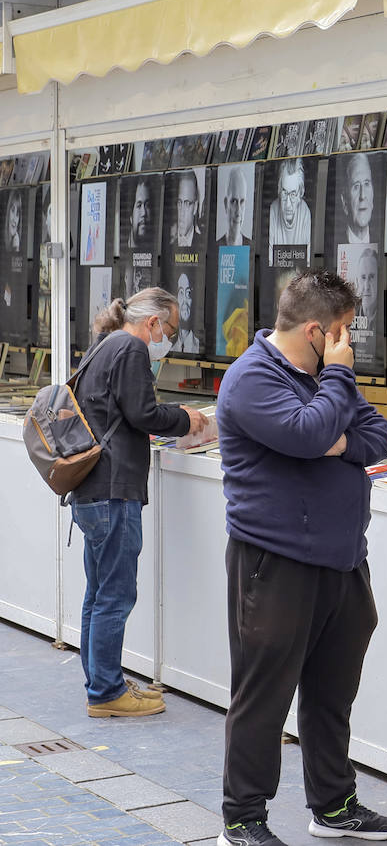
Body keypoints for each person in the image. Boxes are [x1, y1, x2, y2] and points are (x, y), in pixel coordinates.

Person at [215, 270, 387, 846]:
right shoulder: (252, 378)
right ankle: (242, 819)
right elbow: (303, 434)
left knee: (331, 693)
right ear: (317, 331)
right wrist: (336, 389)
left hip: (342, 561)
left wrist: (336, 440)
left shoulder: (326, 376)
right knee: (263, 695)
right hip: (275, 563)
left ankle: (334, 805)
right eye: (344, 330)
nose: (350, 342)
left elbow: (379, 436)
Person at [72, 289, 206, 718]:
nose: (169, 338)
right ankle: (107, 693)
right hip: (114, 490)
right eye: (171, 329)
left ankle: (102, 682)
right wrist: (187, 418)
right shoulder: (131, 348)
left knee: (98, 594)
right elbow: (143, 414)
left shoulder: (105, 344)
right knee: (115, 595)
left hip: (92, 490)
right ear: (153, 323)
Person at [268, 159, 312, 246]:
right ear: (279, 190)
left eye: (293, 194)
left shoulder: (305, 212)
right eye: (284, 193)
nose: (288, 205)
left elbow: (306, 253)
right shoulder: (273, 210)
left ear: (300, 194)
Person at [337, 153, 375, 244]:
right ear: (344, 202)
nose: (362, 196)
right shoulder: (334, 242)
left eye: (366, 184)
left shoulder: (383, 241)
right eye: (356, 186)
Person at [218, 166, 252, 246]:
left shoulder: (252, 247)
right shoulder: (215, 247)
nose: (238, 211)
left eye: (242, 201)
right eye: (234, 201)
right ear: (226, 204)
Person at [170, 170, 201, 248]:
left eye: (187, 203)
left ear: (195, 207)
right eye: (179, 202)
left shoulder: (202, 244)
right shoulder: (168, 246)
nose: (182, 212)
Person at [172, 273, 200, 354]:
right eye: (181, 293)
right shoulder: (169, 348)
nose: (184, 301)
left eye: (188, 293)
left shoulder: (198, 346)